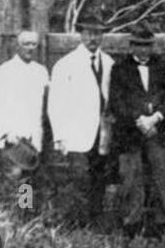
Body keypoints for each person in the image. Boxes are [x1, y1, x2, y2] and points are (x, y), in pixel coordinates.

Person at [108, 26, 165, 238]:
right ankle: (132, 224)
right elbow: (117, 102)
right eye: (139, 45)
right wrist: (138, 120)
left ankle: (161, 225)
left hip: (158, 130)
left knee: (162, 174)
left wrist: (156, 118)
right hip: (130, 132)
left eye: (147, 45)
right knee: (131, 177)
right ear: (131, 46)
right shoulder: (119, 69)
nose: (143, 50)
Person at [47, 11, 115, 226]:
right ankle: (73, 221)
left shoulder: (109, 62)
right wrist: (60, 136)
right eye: (88, 33)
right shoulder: (66, 64)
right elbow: (55, 104)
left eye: (97, 34)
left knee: (98, 178)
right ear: (81, 35)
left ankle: (93, 222)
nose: (93, 38)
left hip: (101, 132)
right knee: (79, 178)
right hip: (76, 133)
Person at [0, 30, 48, 153]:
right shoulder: (3, 72)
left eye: (34, 44)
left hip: (33, 141)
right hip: (10, 140)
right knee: (13, 172)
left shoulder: (41, 72)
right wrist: (6, 133)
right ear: (17, 46)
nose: (30, 48)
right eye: (26, 44)